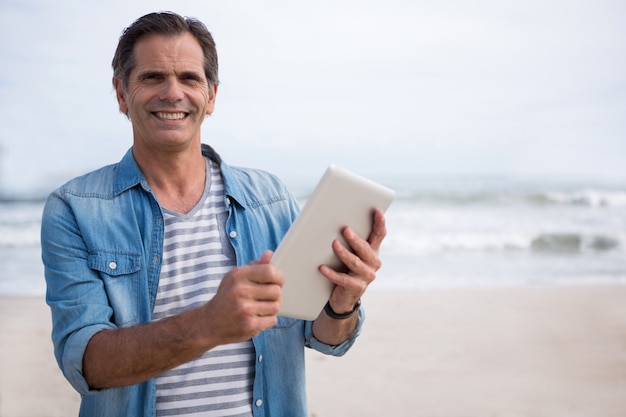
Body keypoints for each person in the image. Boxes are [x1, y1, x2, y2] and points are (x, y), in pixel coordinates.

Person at [41, 11, 387, 417]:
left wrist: (343, 303)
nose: (173, 93)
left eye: (189, 78)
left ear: (212, 96)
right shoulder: (75, 209)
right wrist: (208, 324)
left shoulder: (270, 199)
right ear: (121, 93)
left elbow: (325, 336)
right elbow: (86, 364)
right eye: (153, 77)